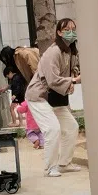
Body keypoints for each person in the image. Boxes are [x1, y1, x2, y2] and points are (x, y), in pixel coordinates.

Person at [26, 18, 81, 177]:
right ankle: (50, 168)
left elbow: (71, 70)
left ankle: (64, 163)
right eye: (66, 30)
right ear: (58, 32)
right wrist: (73, 80)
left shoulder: (70, 51)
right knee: (52, 129)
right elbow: (52, 79)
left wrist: (74, 76)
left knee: (71, 127)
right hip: (38, 96)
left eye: (73, 29)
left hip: (55, 98)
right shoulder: (54, 51)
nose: (71, 32)